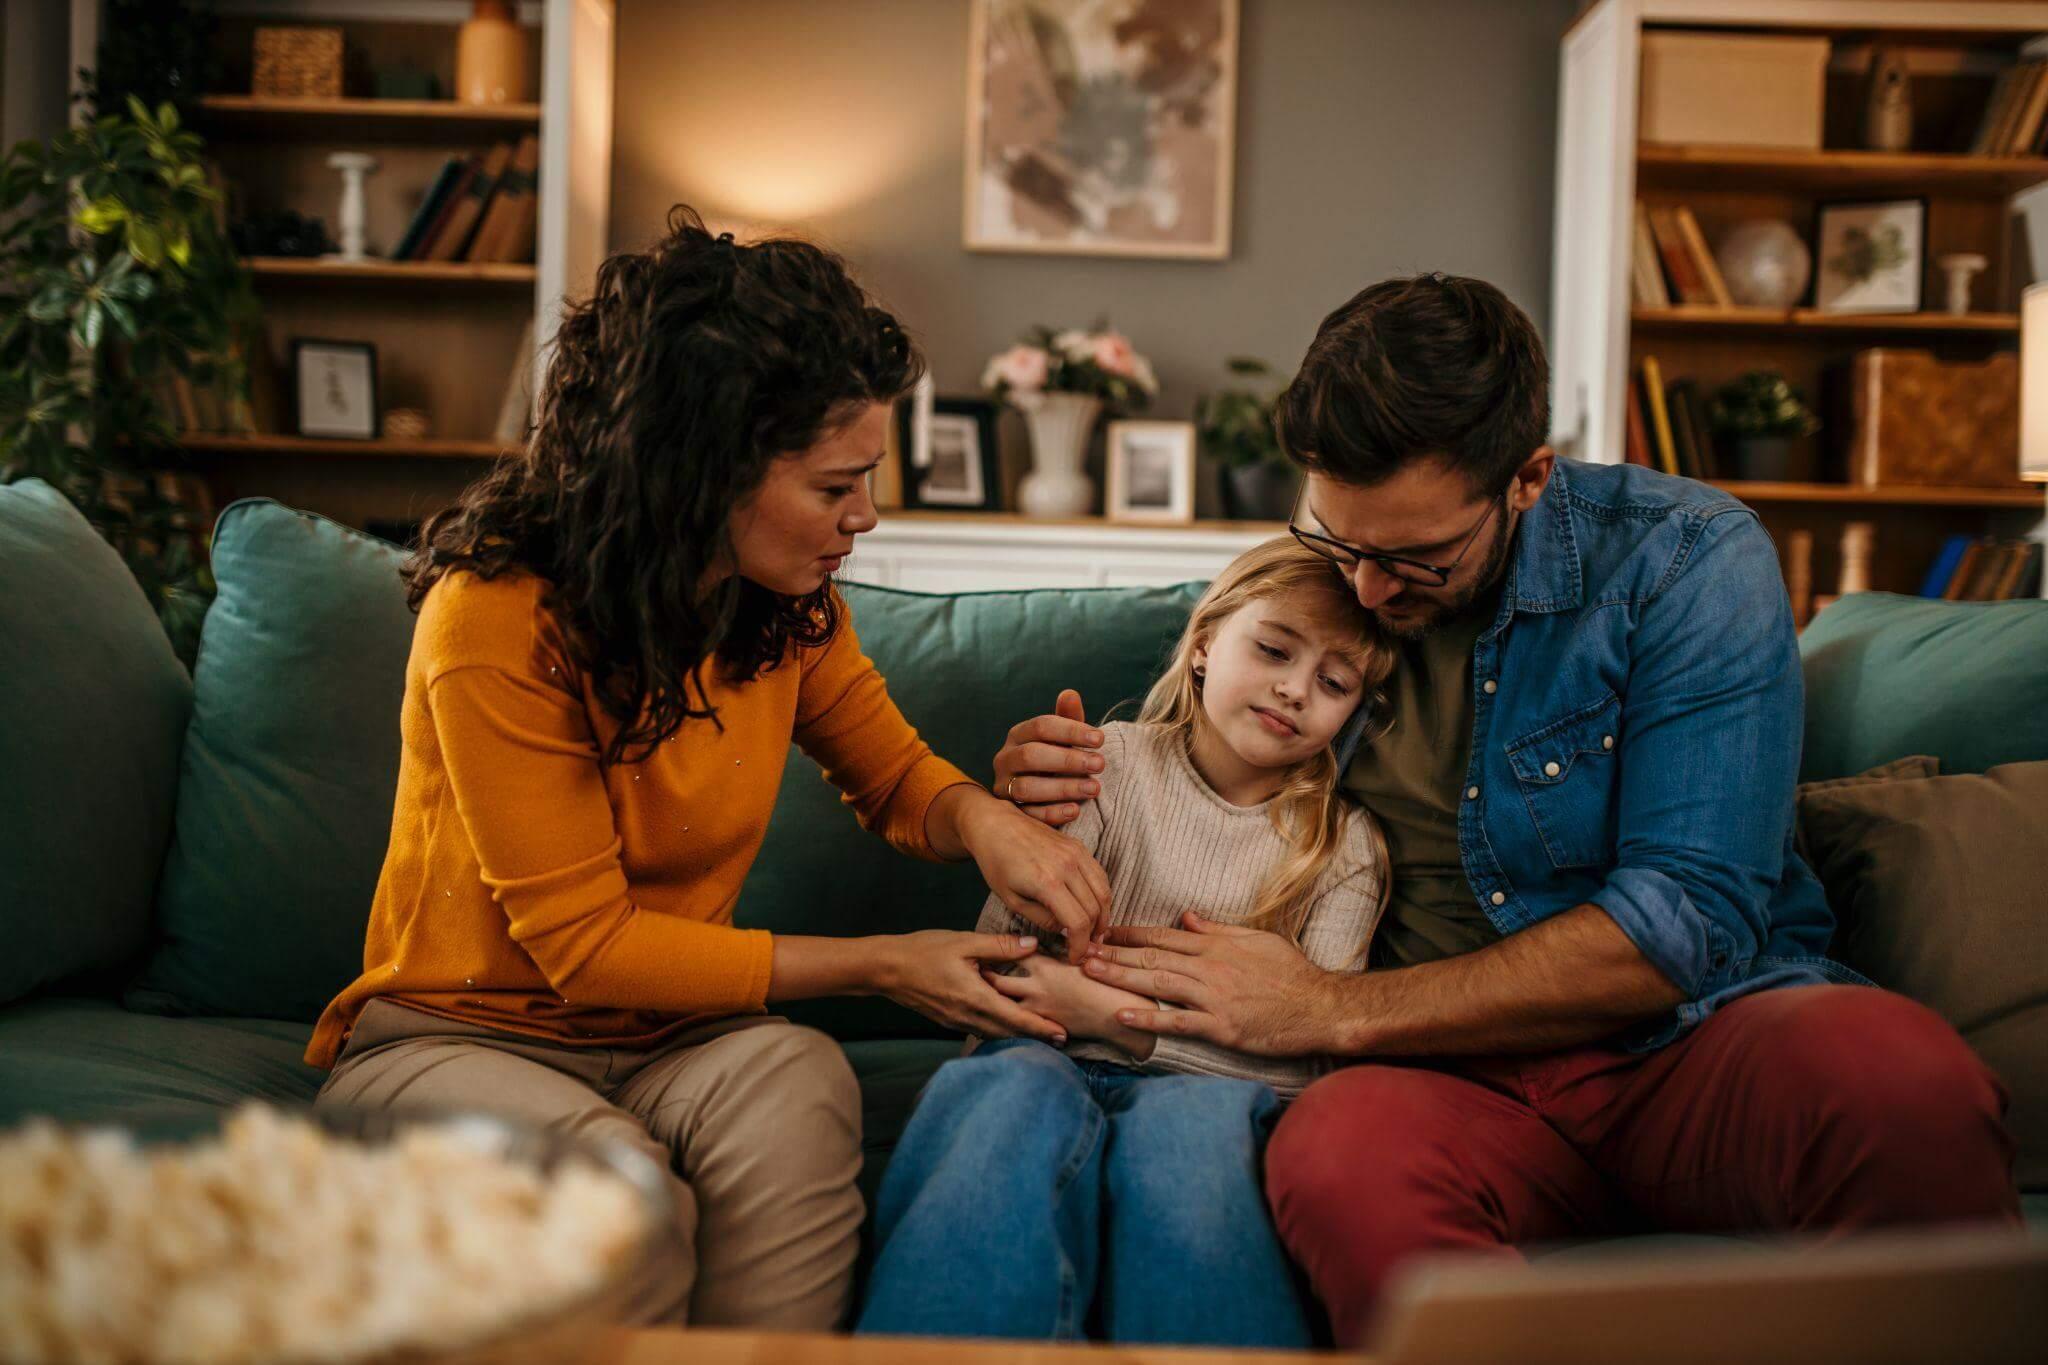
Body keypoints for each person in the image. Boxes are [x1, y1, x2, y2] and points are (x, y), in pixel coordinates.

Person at [990, 273, 2020, 1346]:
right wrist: (1059, 769)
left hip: (1687, 1043)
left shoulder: (1681, 561)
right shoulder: (1330, 592)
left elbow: (1687, 920)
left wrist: (1323, 1010)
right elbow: (1197, 742)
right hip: (1443, 1085)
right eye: (1341, 542)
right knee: (1336, 1157)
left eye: (1412, 558)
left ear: (1526, 476)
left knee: (1896, 1081)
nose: (1370, 592)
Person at [304, 207, 1113, 1331]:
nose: (864, 518)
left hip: (676, 1042)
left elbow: (891, 778)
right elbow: (585, 950)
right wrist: (884, 962)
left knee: (799, 1085)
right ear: (699, 469)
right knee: (620, 1196)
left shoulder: (784, 605)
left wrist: (987, 820)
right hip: (456, 1037)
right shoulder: (494, 618)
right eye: (834, 486)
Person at [858, 540, 1392, 1348]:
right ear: (1207, 642)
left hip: (1210, 1097)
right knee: (1001, 1101)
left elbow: (1312, 1062)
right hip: (1038, 1057)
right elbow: (999, 967)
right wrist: (1041, 839)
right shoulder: (1103, 767)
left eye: (1333, 681)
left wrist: (1117, 1017)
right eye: (1274, 648)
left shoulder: (1343, 848)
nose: (1294, 687)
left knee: (1190, 1143)